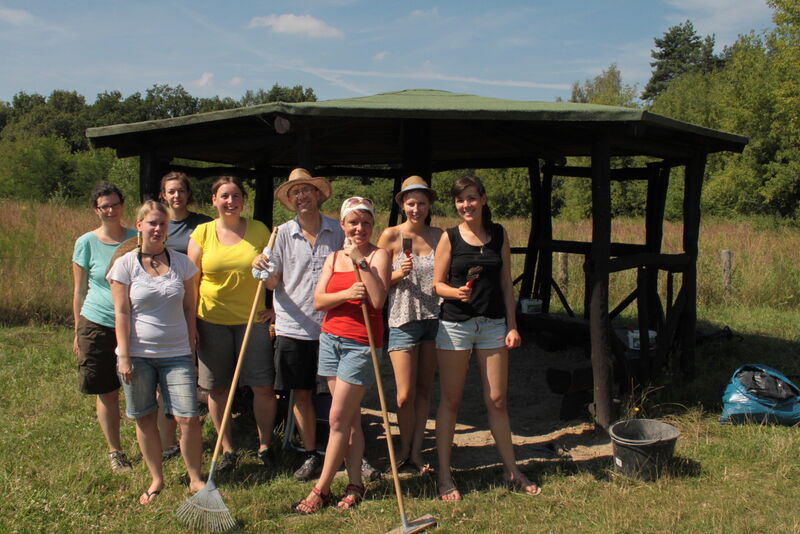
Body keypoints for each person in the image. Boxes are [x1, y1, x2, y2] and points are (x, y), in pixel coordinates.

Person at [432, 175, 540, 501]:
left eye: (471, 198)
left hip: (493, 325)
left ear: (483, 198)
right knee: (451, 400)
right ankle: (445, 475)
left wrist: (512, 325)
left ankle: (511, 469)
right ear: (455, 204)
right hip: (455, 326)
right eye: (460, 200)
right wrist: (457, 292)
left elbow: (507, 283)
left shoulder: (499, 234)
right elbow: (436, 285)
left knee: (497, 400)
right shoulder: (449, 237)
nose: (466, 205)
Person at [291, 197, 390, 514]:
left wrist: (361, 263)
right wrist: (347, 294)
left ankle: (321, 488)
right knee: (348, 422)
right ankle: (355, 484)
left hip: (361, 345)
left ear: (372, 226)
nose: (359, 228)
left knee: (336, 420)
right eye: (353, 222)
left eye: (365, 223)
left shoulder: (379, 255)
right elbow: (319, 300)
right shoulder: (334, 258)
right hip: (331, 340)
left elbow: (376, 300)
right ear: (344, 225)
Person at [107, 200, 205, 505]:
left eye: (163, 224)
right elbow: (121, 313)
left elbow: (190, 306)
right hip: (137, 355)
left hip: (177, 353)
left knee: (188, 417)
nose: (158, 229)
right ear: (139, 226)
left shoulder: (182, 263)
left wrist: (191, 339)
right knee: (145, 416)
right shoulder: (124, 266)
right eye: (152, 223)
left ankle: (195, 478)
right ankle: (156, 478)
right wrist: (123, 354)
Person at [251, 168, 343, 481]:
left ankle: (343, 450)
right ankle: (311, 453)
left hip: (334, 325)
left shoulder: (338, 231)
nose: (301, 196)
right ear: (290, 201)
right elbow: (274, 282)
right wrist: (261, 268)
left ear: (318, 194)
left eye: (306, 190)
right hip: (294, 327)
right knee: (301, 394)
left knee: (339, 394)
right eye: (295, 193)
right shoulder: (280, 235)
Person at [187, 175, 276, 471]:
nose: (230, 201)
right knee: (217, 388)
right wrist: (191, 325)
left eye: (236, 196)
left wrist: (274, 309)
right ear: (214, 200)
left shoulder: (259, 230)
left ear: (243, 201)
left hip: (253, 320)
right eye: (224, 196)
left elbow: (276, 272)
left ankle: (265, 446)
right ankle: (228, 449)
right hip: (211, 319)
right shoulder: (202, 233)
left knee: (262, 385)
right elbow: (192, 282)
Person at [376, 176, 442, 473]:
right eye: (411, 203)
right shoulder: (389, 236)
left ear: (429, 206)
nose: (416, 209)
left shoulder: (439, 236)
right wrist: (396, 274)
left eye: (422, 203)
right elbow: (375, 283)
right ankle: (403, 449)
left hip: (433, 319)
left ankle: (416, 451)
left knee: (425, 388)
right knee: (404, 394)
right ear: (402, 204)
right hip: (401, 319)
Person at [72, 182, 137, 473]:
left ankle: (158, 444)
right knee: (107, 390)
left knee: (143, 388)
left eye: (114, 204)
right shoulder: (85, 242)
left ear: (122, 205)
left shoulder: (138, 238)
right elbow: (79, 290)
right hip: (96, 322)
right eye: (104, 206)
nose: (110, 210)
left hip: (135, 324)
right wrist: (77, 332)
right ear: (96, 210)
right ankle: (116, 451)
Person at [157, 171, 212, 460]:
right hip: (162, 310)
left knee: (188, 371)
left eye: (180, 191)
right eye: (170, 191)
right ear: (162, 195)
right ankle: (167, 440)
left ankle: (191, 431)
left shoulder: (202, 224)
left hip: (192, 305)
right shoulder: (158, 223)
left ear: (188, 194)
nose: (176, 196)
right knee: (161, 374)